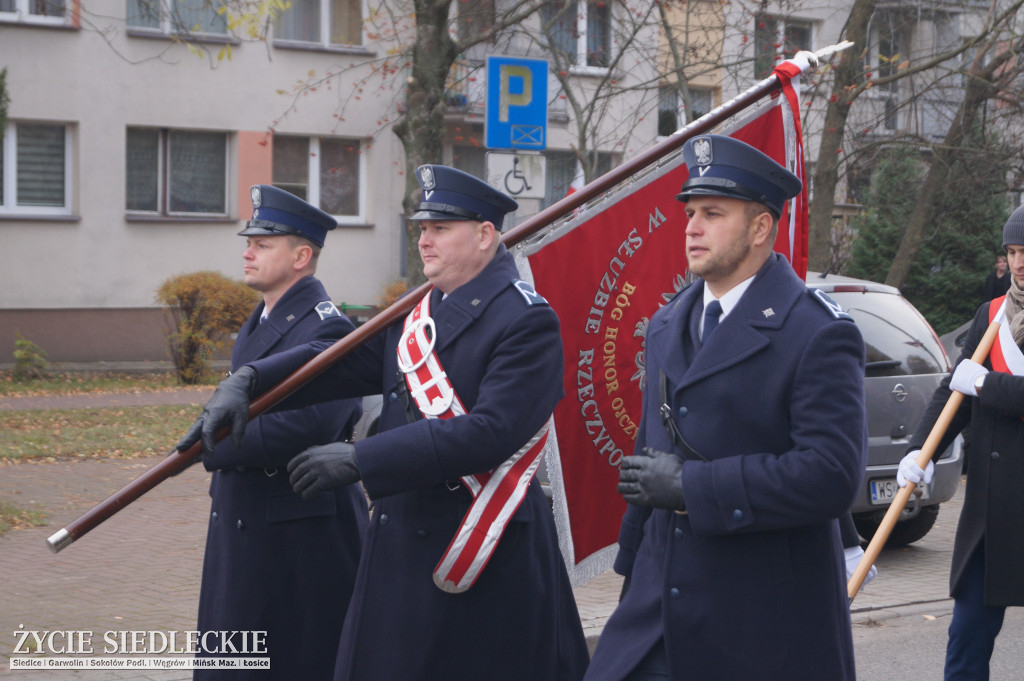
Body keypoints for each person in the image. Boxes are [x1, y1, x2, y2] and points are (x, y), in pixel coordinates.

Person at [177, 166, 590, 681]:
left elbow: (491, 432)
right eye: (421, 229)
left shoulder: (526, 319)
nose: (424, 240)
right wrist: (251, 381)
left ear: (485, 235)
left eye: (440, 229)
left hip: (482, 542)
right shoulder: (416, 312)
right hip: (399, 542)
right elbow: (335, 361)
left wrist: (361, 459)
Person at [585, 135, 867, 681]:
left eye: (713, 213)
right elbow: (652, 455)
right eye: (690, 212)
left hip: (760, 623)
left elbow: (831, 476)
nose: (691, 227)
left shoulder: (817, 331)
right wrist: (630, 571)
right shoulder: (667, 322)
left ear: (761, 228)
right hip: (656, 610)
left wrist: (693, 488)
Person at [190, 185, 368, 680]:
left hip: (298, 535)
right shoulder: (262, 318)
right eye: (249, 242)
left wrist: (216, 447)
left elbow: (312, 422)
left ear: (301, 256)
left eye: (263, 244)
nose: (247, 252)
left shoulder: (328, 329)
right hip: (251, 524)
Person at [897, 204, 1024, 681]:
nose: (1018, 263)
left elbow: (978, 387)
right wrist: (920, 449)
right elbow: (955, 393)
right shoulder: (990, 314)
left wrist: (987, 386)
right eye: (1012, 251)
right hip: (991, 510)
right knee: (968, 636)